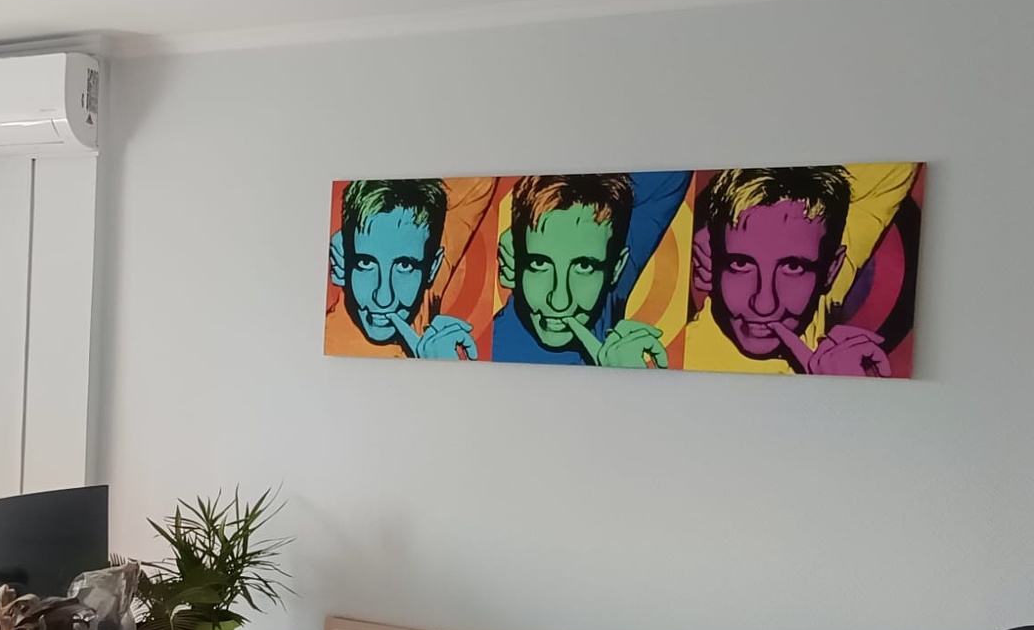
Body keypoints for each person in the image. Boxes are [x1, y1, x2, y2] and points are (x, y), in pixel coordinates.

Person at [685, 166, 906, 377]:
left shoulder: (821, 276)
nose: (764, 305)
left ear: (831, 270)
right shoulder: (686, 361)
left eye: (793, 267)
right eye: (740, 264)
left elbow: (895, 162)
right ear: (712, 259)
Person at [490, 170, 691, 367]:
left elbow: (672, 173)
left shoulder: (610, 285)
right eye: (539, 263)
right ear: (517, 261)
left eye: (584, 266)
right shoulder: (494, 352)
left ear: (617, 268)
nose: (560, 302)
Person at [325, 179, 477, 359]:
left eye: (405, 266)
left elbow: (478, 185)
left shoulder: (425, 288)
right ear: (344, 261)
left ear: (433, 267)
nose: (383, 299)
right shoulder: (332, 342)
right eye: (365, 263)